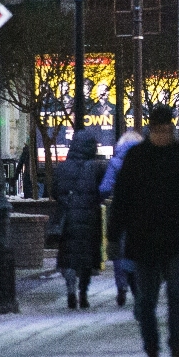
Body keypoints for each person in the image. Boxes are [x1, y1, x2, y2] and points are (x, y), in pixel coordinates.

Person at [109, 106, 179, 357]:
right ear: (150, 130)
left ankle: (177, 353)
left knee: (176, 298)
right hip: (143, 241)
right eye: (159, 130)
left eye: (167, 130)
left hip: (173, 240)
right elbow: (122, 200)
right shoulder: (137, 158)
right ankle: (153, 355)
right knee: (146, 301)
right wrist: (113, 235)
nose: (163, 135)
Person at [51, 131, 107, 310]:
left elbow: (54, 191)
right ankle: (83, 293)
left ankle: (70, 291)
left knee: (68, 256)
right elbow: (103, 190)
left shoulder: (62, 168)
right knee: (86, 258)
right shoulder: (96, 167)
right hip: (90, 217)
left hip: (68, 218)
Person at [100, 127, 144, 307]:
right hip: (143, 212)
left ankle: (121, 286)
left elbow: (104, 188)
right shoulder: (145, 160)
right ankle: (140, 285)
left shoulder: (116, 162)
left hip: (121, 211)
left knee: (120, 248)